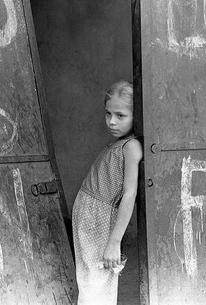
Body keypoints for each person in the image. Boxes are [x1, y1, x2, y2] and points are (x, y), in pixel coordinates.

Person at [72, 80, 143, 304]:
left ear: (137, 116)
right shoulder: (120, 142)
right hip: (88, 217)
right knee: (90, 279)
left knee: (98, 279)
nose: (112, 121)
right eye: (108, 114)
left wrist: (114, 241)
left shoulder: (131, 146)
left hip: (99, 219)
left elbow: (129, 194)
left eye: (120, 115)